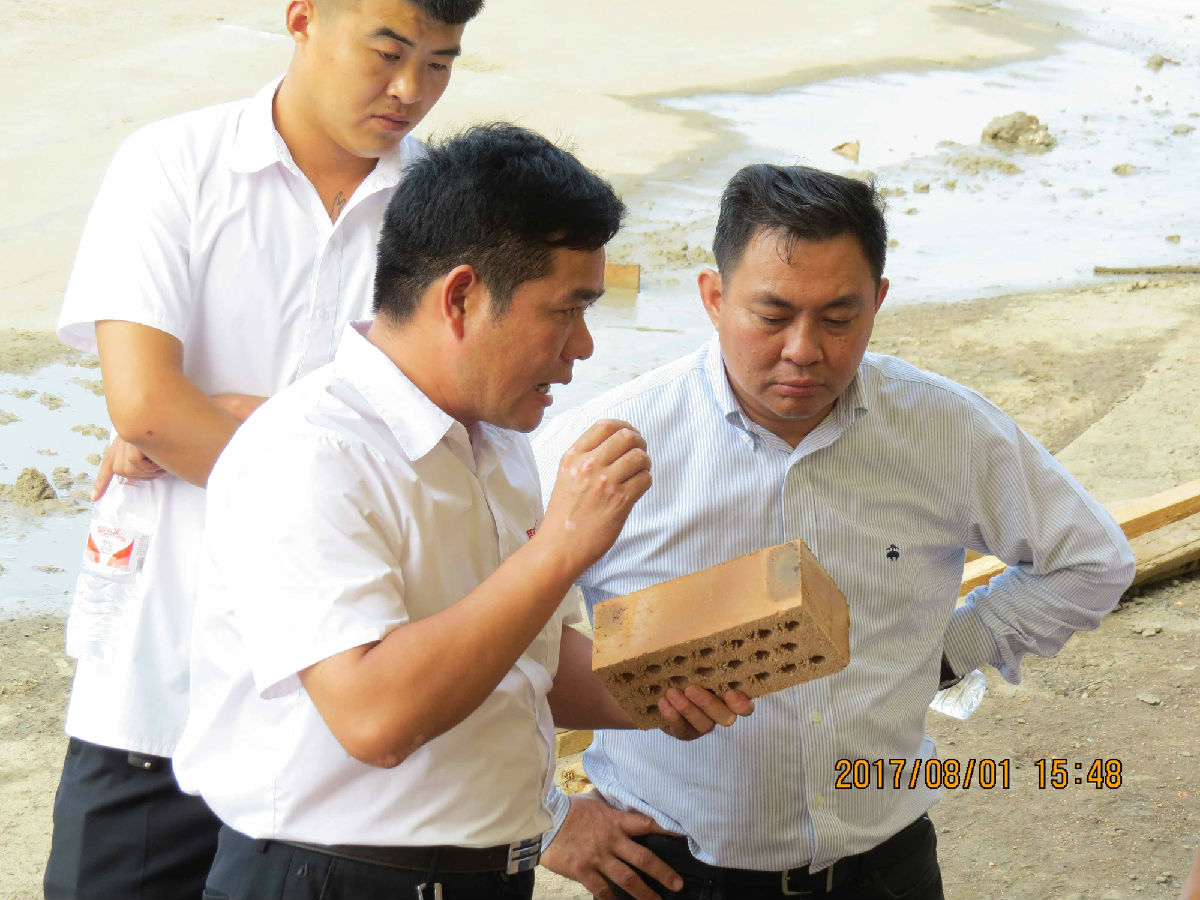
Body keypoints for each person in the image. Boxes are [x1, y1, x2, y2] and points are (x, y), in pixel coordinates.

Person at [171, 123, 752, 900]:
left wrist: (661, 691)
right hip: (334, 878)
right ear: (461, 298)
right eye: (567, 310)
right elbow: (374, 718)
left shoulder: (497, 442)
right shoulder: (311, 452)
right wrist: (560, 549)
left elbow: (526, 662)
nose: (582, 346)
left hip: (486, 873)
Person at [532, 163, 1137, 900]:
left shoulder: (944, 430)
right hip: (674, 869)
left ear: (878, 301)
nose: (804, 349)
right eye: (772, 315)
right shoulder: (602, 446)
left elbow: (1092, 560)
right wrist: (548, 819)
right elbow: (482, 640)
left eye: (838, 318)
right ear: (714, 297)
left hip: (885, 865)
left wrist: (949, 651)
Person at [45, 2, 484, 897]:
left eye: (440, 64)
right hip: (158, 688)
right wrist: (328, 461)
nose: (409, 90)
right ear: (303, 17)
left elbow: (455, 438)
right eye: (388, 52)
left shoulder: (449, 213)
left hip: (333, 724)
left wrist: (230, 423)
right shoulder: (174, 164)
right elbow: (148, 406)